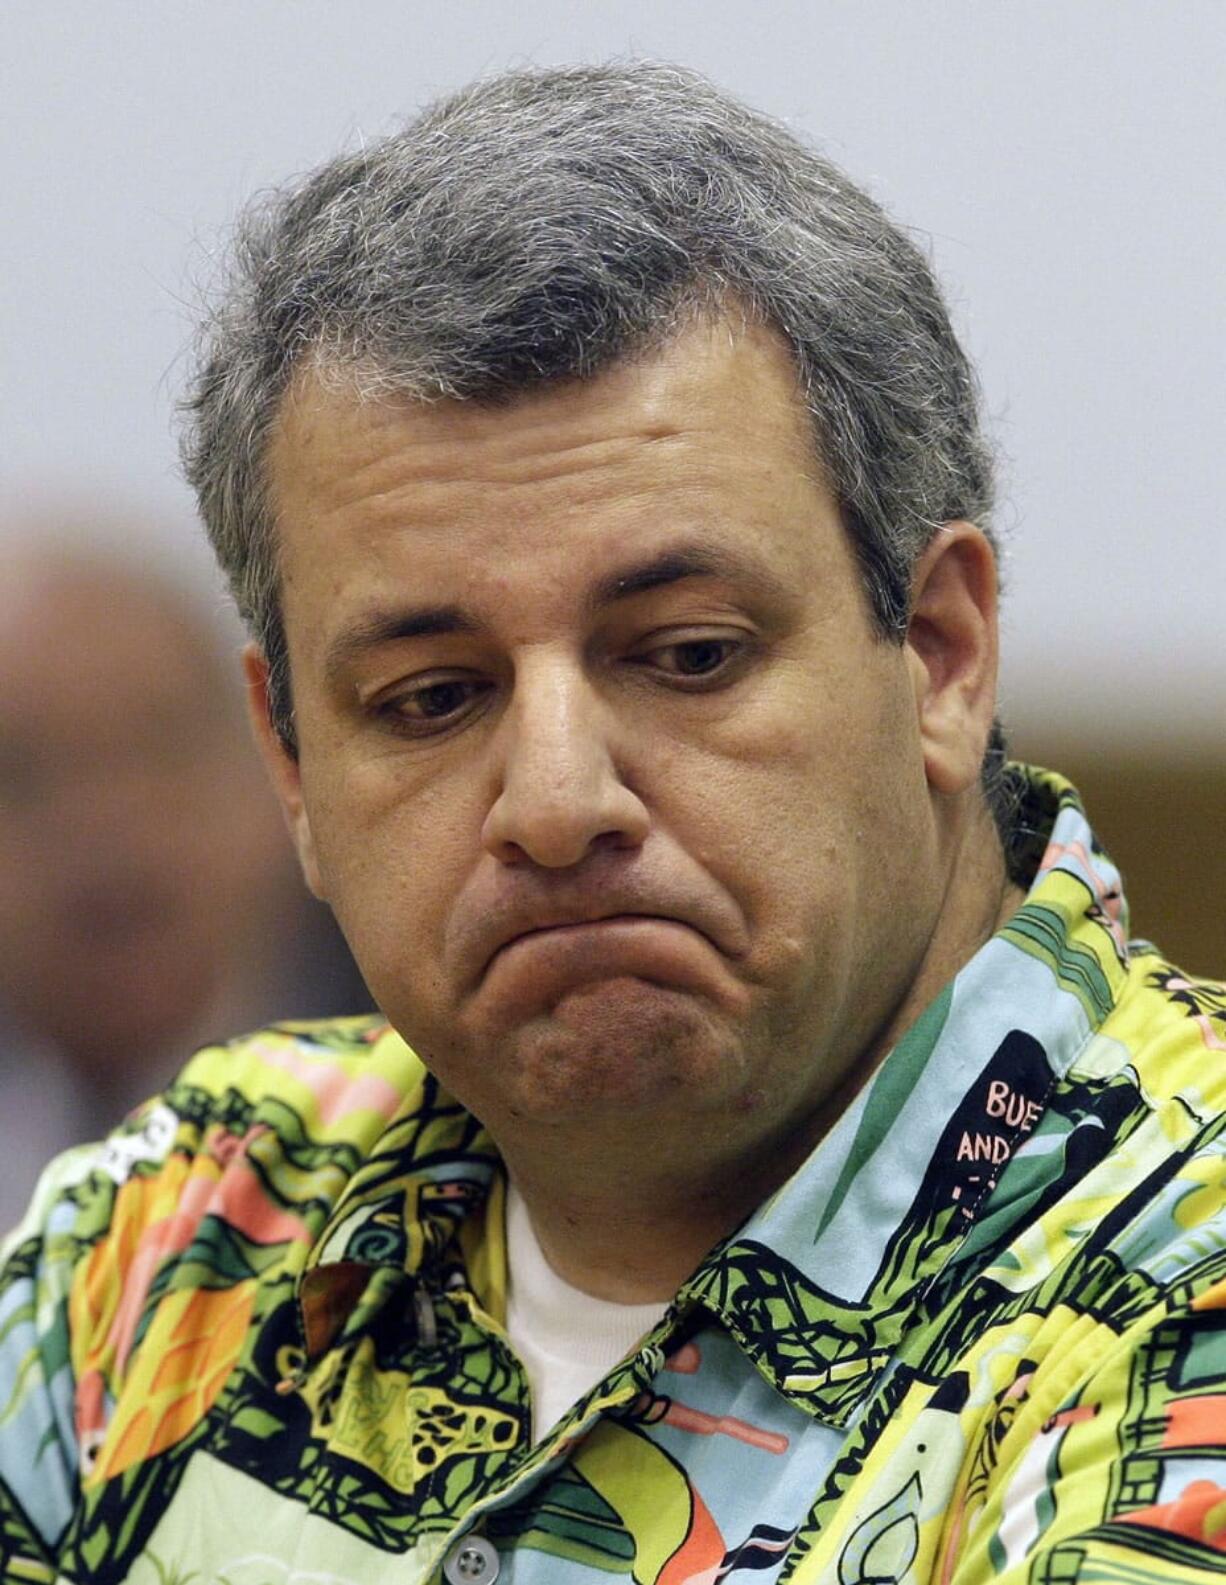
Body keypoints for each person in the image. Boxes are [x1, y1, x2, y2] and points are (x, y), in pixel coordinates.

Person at [0, 61, 1222, 1585]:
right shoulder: (181, 1238)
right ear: (294, 766)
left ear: (939, 653)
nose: (556, 801)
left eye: (687, 655)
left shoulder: (1185, 1289)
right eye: (433, 698)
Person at [0, 535, 372, 1230]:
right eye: (21, 774)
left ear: (277, 765)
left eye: (161, 746)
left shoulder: (425, 1067)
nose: (104, 824)